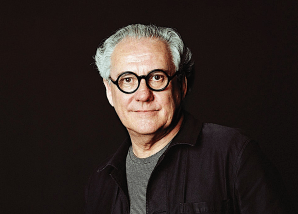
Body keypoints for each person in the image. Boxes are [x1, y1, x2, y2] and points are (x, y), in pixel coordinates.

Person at [85, 24, 293, 213]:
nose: (143, 95)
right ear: (110, 91)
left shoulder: (234, 153)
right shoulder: (101, 182)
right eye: (127, 80)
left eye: (157, 77)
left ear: (182, 85)